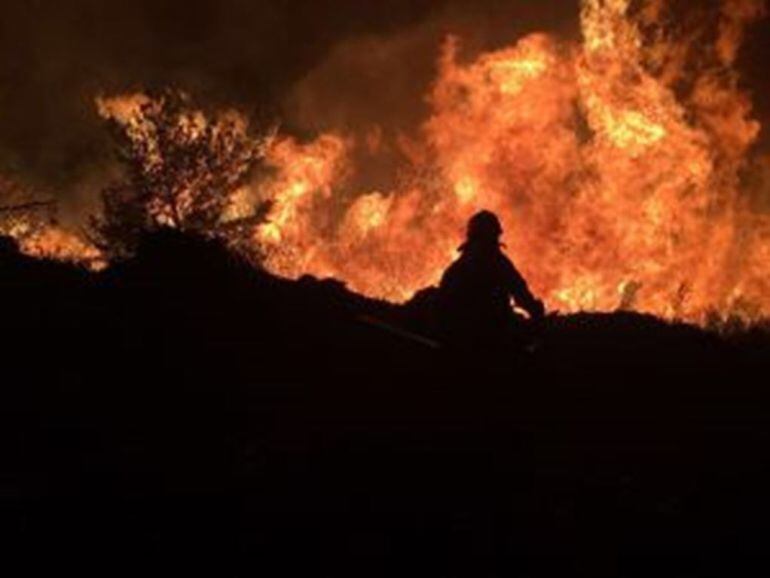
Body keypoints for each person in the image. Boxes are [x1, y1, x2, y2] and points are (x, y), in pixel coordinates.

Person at [437, 211, 545, 348]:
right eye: (495, 236)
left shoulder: (456, 268)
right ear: (492, 236)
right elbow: (521, 295)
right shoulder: (498, 263)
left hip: (460, 340)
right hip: (494, 338)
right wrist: (537, 312)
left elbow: (442, 308)